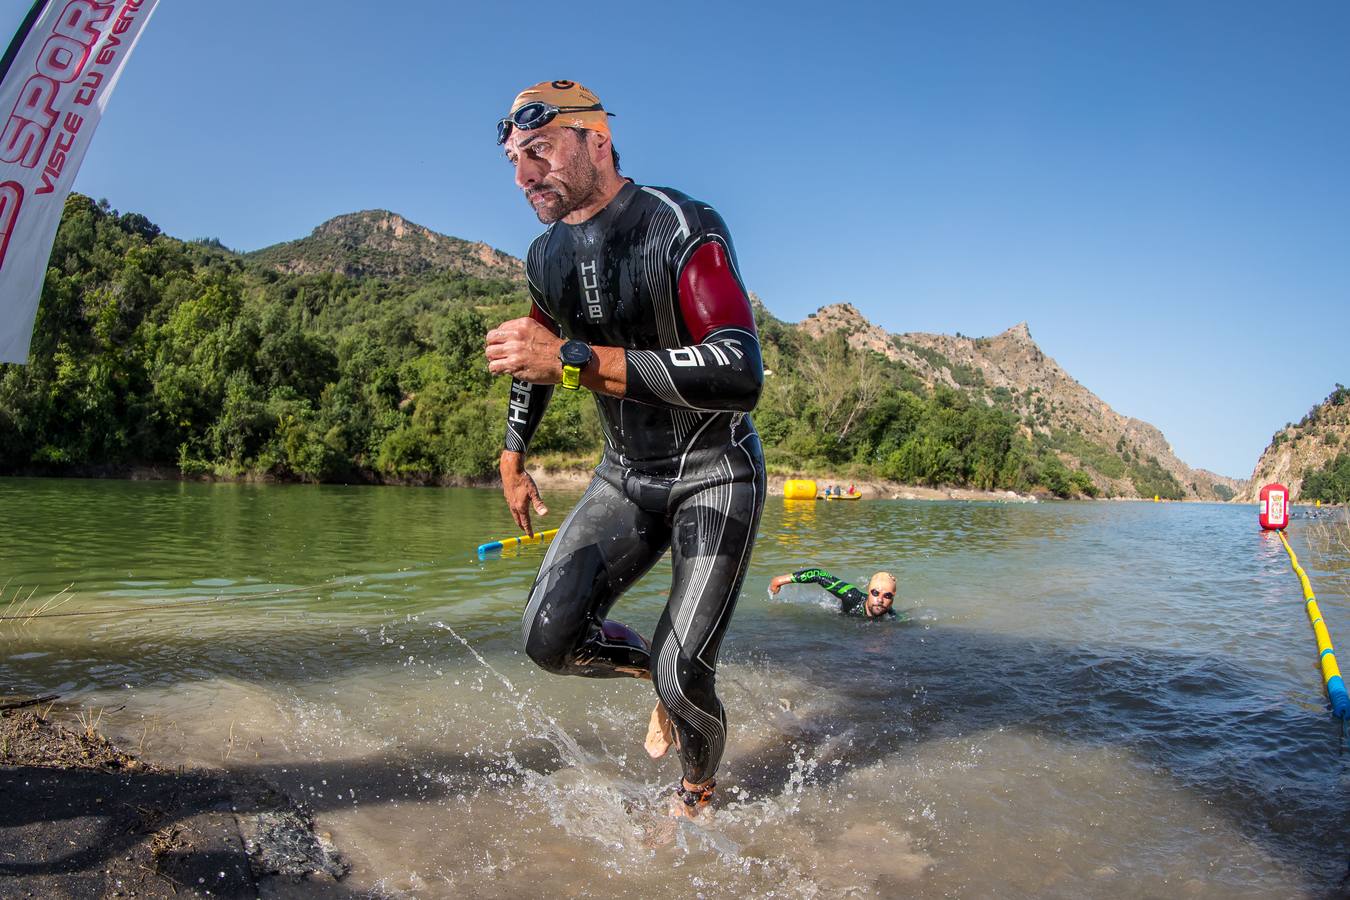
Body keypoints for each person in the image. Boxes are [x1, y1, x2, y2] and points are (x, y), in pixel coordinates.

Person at [484, 80, 766, 818]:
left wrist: (575, 361)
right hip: (625, 477)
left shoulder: (680, 224)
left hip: (715, 473)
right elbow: (536, 354)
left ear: (596, 141)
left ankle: (697, 795)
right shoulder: (544, 257)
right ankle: (659, 681)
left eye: (539, 152)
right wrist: (514, 454)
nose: (523, 177)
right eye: (514, 159)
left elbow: (739, 370)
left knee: (687, 670)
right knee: (549, 640)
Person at [768, 568, 901, 619]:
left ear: (893, 599)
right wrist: (779, 580)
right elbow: (818, 574)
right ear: (869, 592)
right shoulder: (851, 596)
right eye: (876, 593)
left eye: (887, 596)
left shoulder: (891, 614)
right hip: (838, 613)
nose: (880, 599)